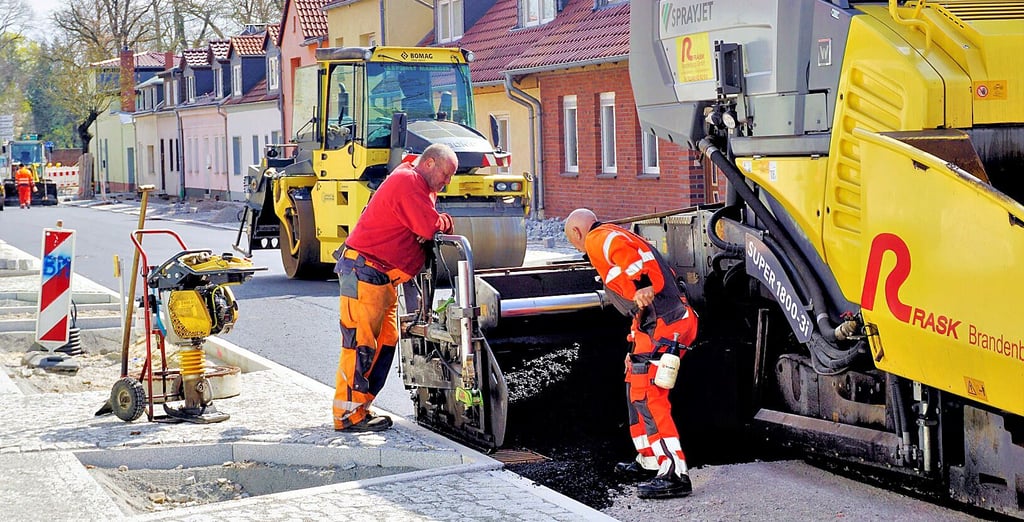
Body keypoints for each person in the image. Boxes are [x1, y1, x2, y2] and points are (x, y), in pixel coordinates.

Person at [563, 208, 699, 499]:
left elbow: (626, 258)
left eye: (574, 242)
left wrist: (641, 286)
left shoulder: (598, 238)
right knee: (635, 387)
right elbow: (642, 305)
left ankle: (674, 473)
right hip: (664, 322)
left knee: (650, 396)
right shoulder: (615, 232)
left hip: (666, 324)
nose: (580, 250)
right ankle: (649, 459)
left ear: (577, 233)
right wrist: (633, 345)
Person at [331, 143, 457, 432]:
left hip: (379, 278)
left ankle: (361, 407)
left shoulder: (415, 183)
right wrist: (445, 222)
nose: (447, 181)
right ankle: (347, 416)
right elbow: (428, 227)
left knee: (385, 343)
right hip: (364, 273)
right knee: (359, 344)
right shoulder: (408, 181)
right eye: (446, 174)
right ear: (429, 164)